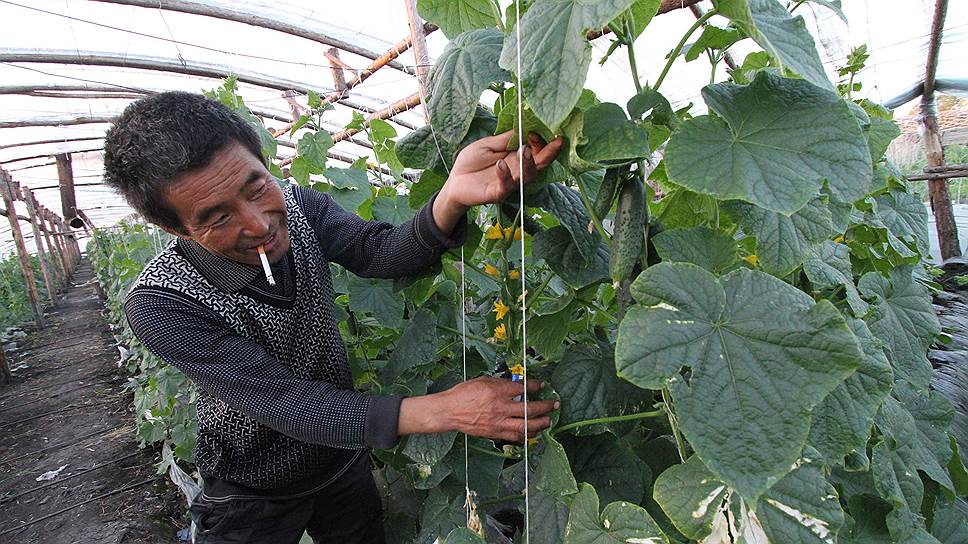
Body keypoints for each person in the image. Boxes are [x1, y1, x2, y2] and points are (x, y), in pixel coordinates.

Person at [102, 92, 564, 544]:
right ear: (174, 228)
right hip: (252, 485)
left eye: (258, 187)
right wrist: (449, 409)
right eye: (219, 217)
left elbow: (380, 252)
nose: (259, 223)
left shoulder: (300, 207)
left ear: (265, 163)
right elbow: (285, 401)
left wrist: (453, 196)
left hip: (341, 456)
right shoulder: (161, 301)